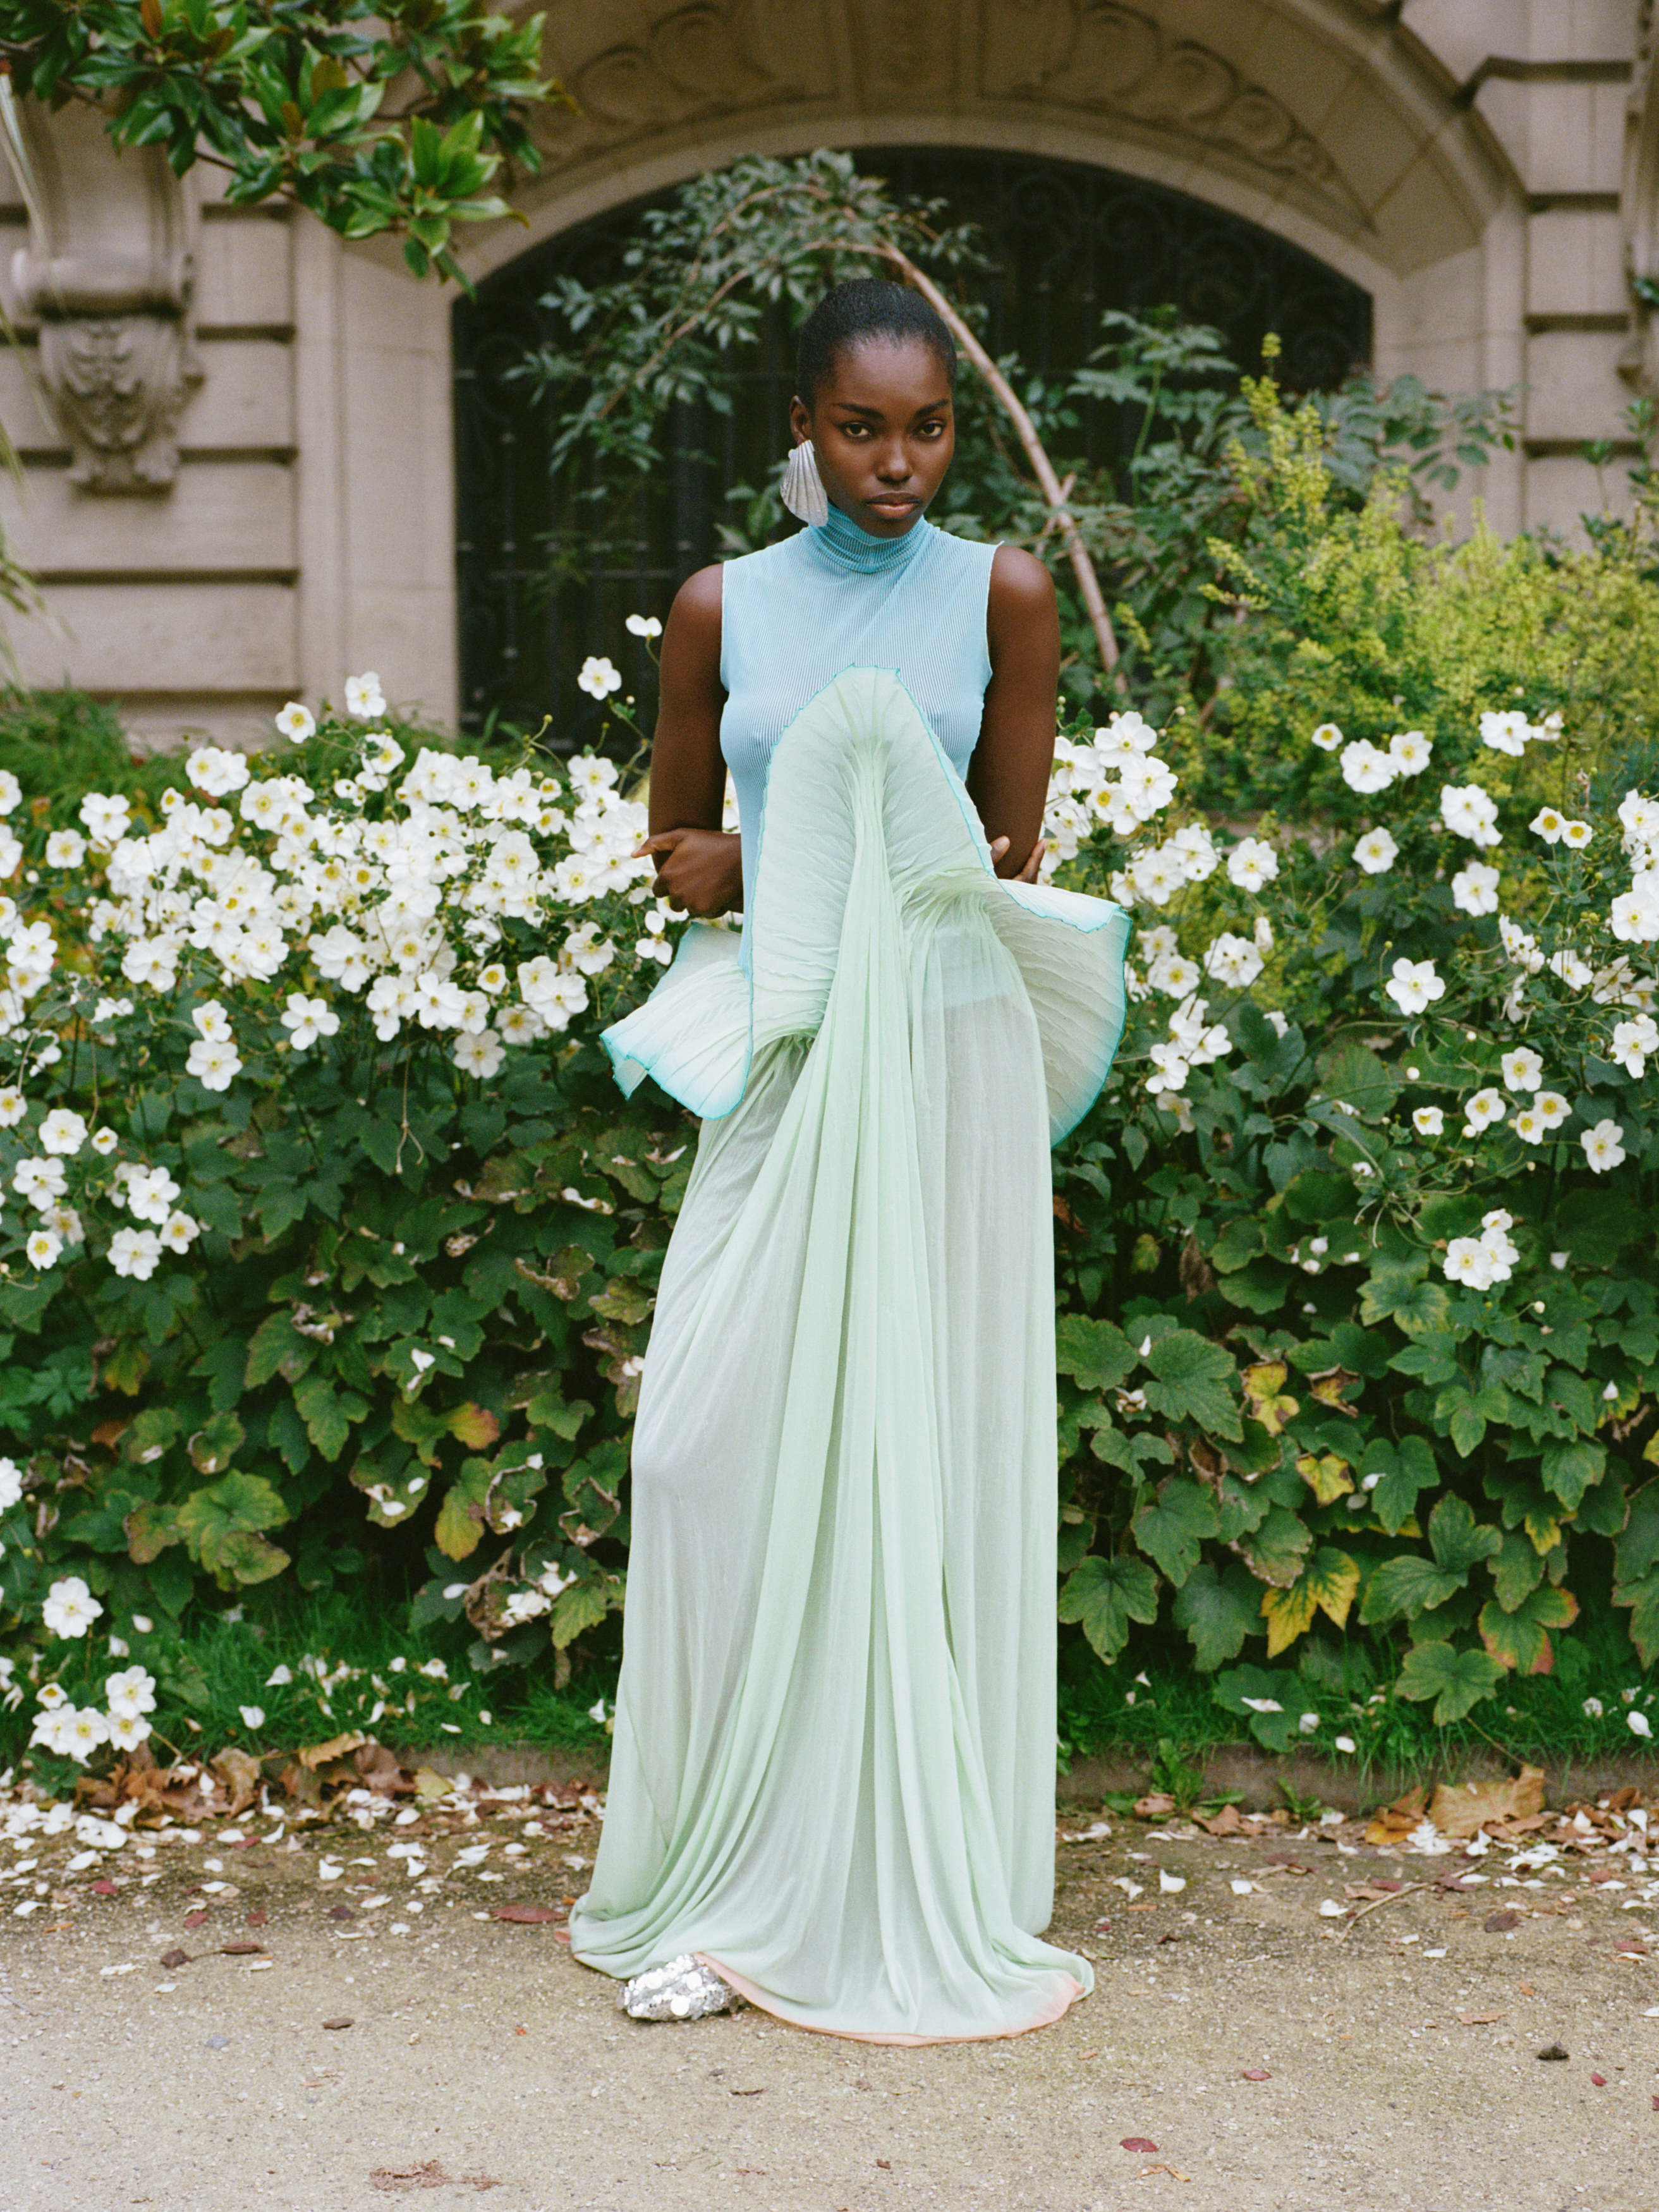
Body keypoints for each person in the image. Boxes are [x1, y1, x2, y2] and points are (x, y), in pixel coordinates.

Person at [568, 277, 1129, 2043]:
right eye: (863, 426)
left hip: (940, 1047)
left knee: (914, 1437)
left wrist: (789, 864)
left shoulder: (1003, 594)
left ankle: (877, 1874)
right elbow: (676, 849)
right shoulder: (717, 605)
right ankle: (738, 1856)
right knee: (701, 1441)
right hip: (791, 1053)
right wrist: (731, 871)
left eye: (930, 425)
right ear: (802, 426)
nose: (899, 462)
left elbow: (996, 858)